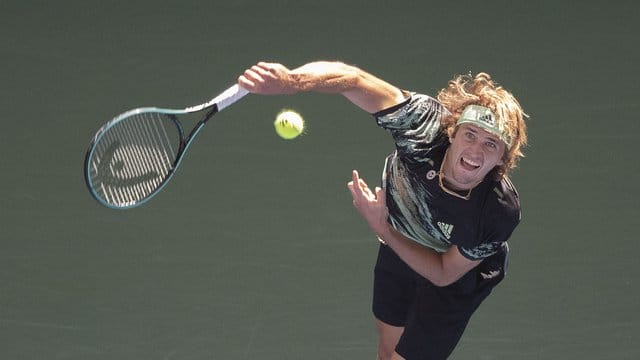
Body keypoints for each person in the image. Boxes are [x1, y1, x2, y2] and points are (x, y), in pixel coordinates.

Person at [238, 61, 527, 360]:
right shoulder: (423, 128)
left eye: (491, 144)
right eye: (470, 134)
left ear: (503, 159)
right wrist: (292, 82)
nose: (476, 151)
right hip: (401, 241)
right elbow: (354, 79)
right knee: (387, 349)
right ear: (453, 132)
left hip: (456, 277)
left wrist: (382, 228)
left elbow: (443, 273)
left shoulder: (497, 212)